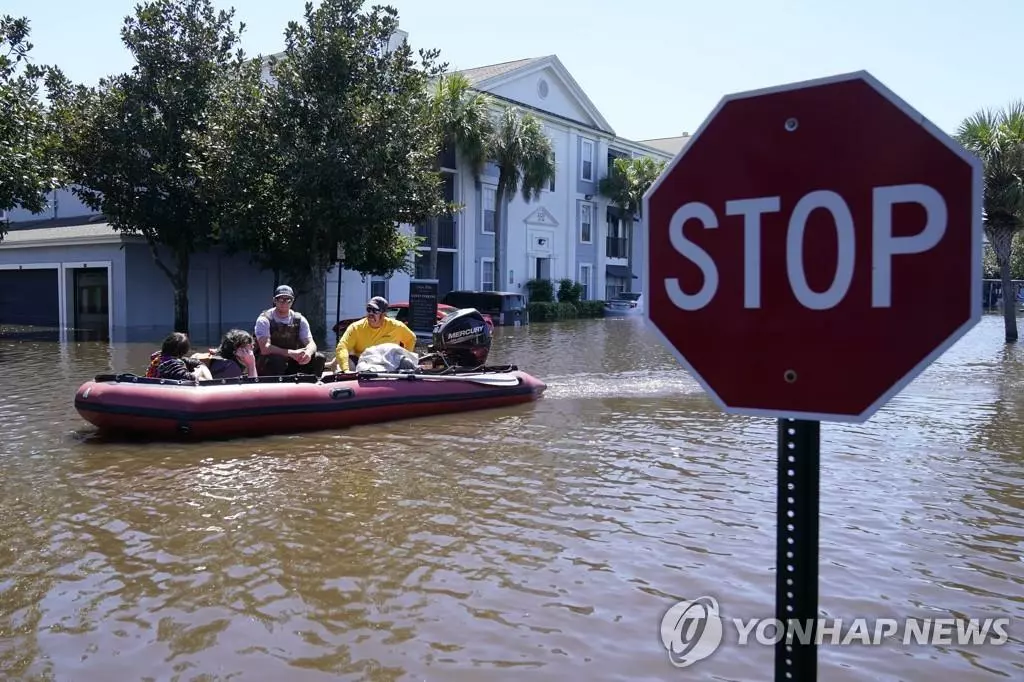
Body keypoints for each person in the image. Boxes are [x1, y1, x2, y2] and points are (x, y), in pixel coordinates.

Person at [254, 285, 327, 377]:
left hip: (292, 361)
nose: (284, 303)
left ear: (292, 301)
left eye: (288, 299)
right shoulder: (264, 320)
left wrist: (308, 353)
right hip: (269, 363)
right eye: (280, 299)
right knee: (277, 360)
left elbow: (311, 343)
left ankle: (312, 384)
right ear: (274, 300)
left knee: (319, 357)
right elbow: (265, 348)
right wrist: (291, 353)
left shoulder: (300, 320)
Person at [335, 296, 417, 373]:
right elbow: (343, 347)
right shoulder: (355, 328)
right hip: (364, 363)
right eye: (369, 309)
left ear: (383, 314)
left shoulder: (397, 326)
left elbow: (411, 338)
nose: (371, 313)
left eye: (375, 311)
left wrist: (404, 353)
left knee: (407, 362)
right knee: (349, 362)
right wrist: (345, 370)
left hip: (390, 362)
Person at [145, 331, 213, 382]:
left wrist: (197, 363)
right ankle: (212, 383)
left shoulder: (158, 358)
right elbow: (191, 378)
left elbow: (188, 361)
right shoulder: (173, 364)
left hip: (155, 385)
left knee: (198, 361)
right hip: (164, 389)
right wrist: (200, 369)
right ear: (184, 351)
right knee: (202, 373)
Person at [191, 329, 259, 379]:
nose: (251, 353)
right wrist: (251, 364)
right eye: (248, 349)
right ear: (236, 351)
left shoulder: (218, 358)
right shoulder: (230, 367)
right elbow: (253, 392)